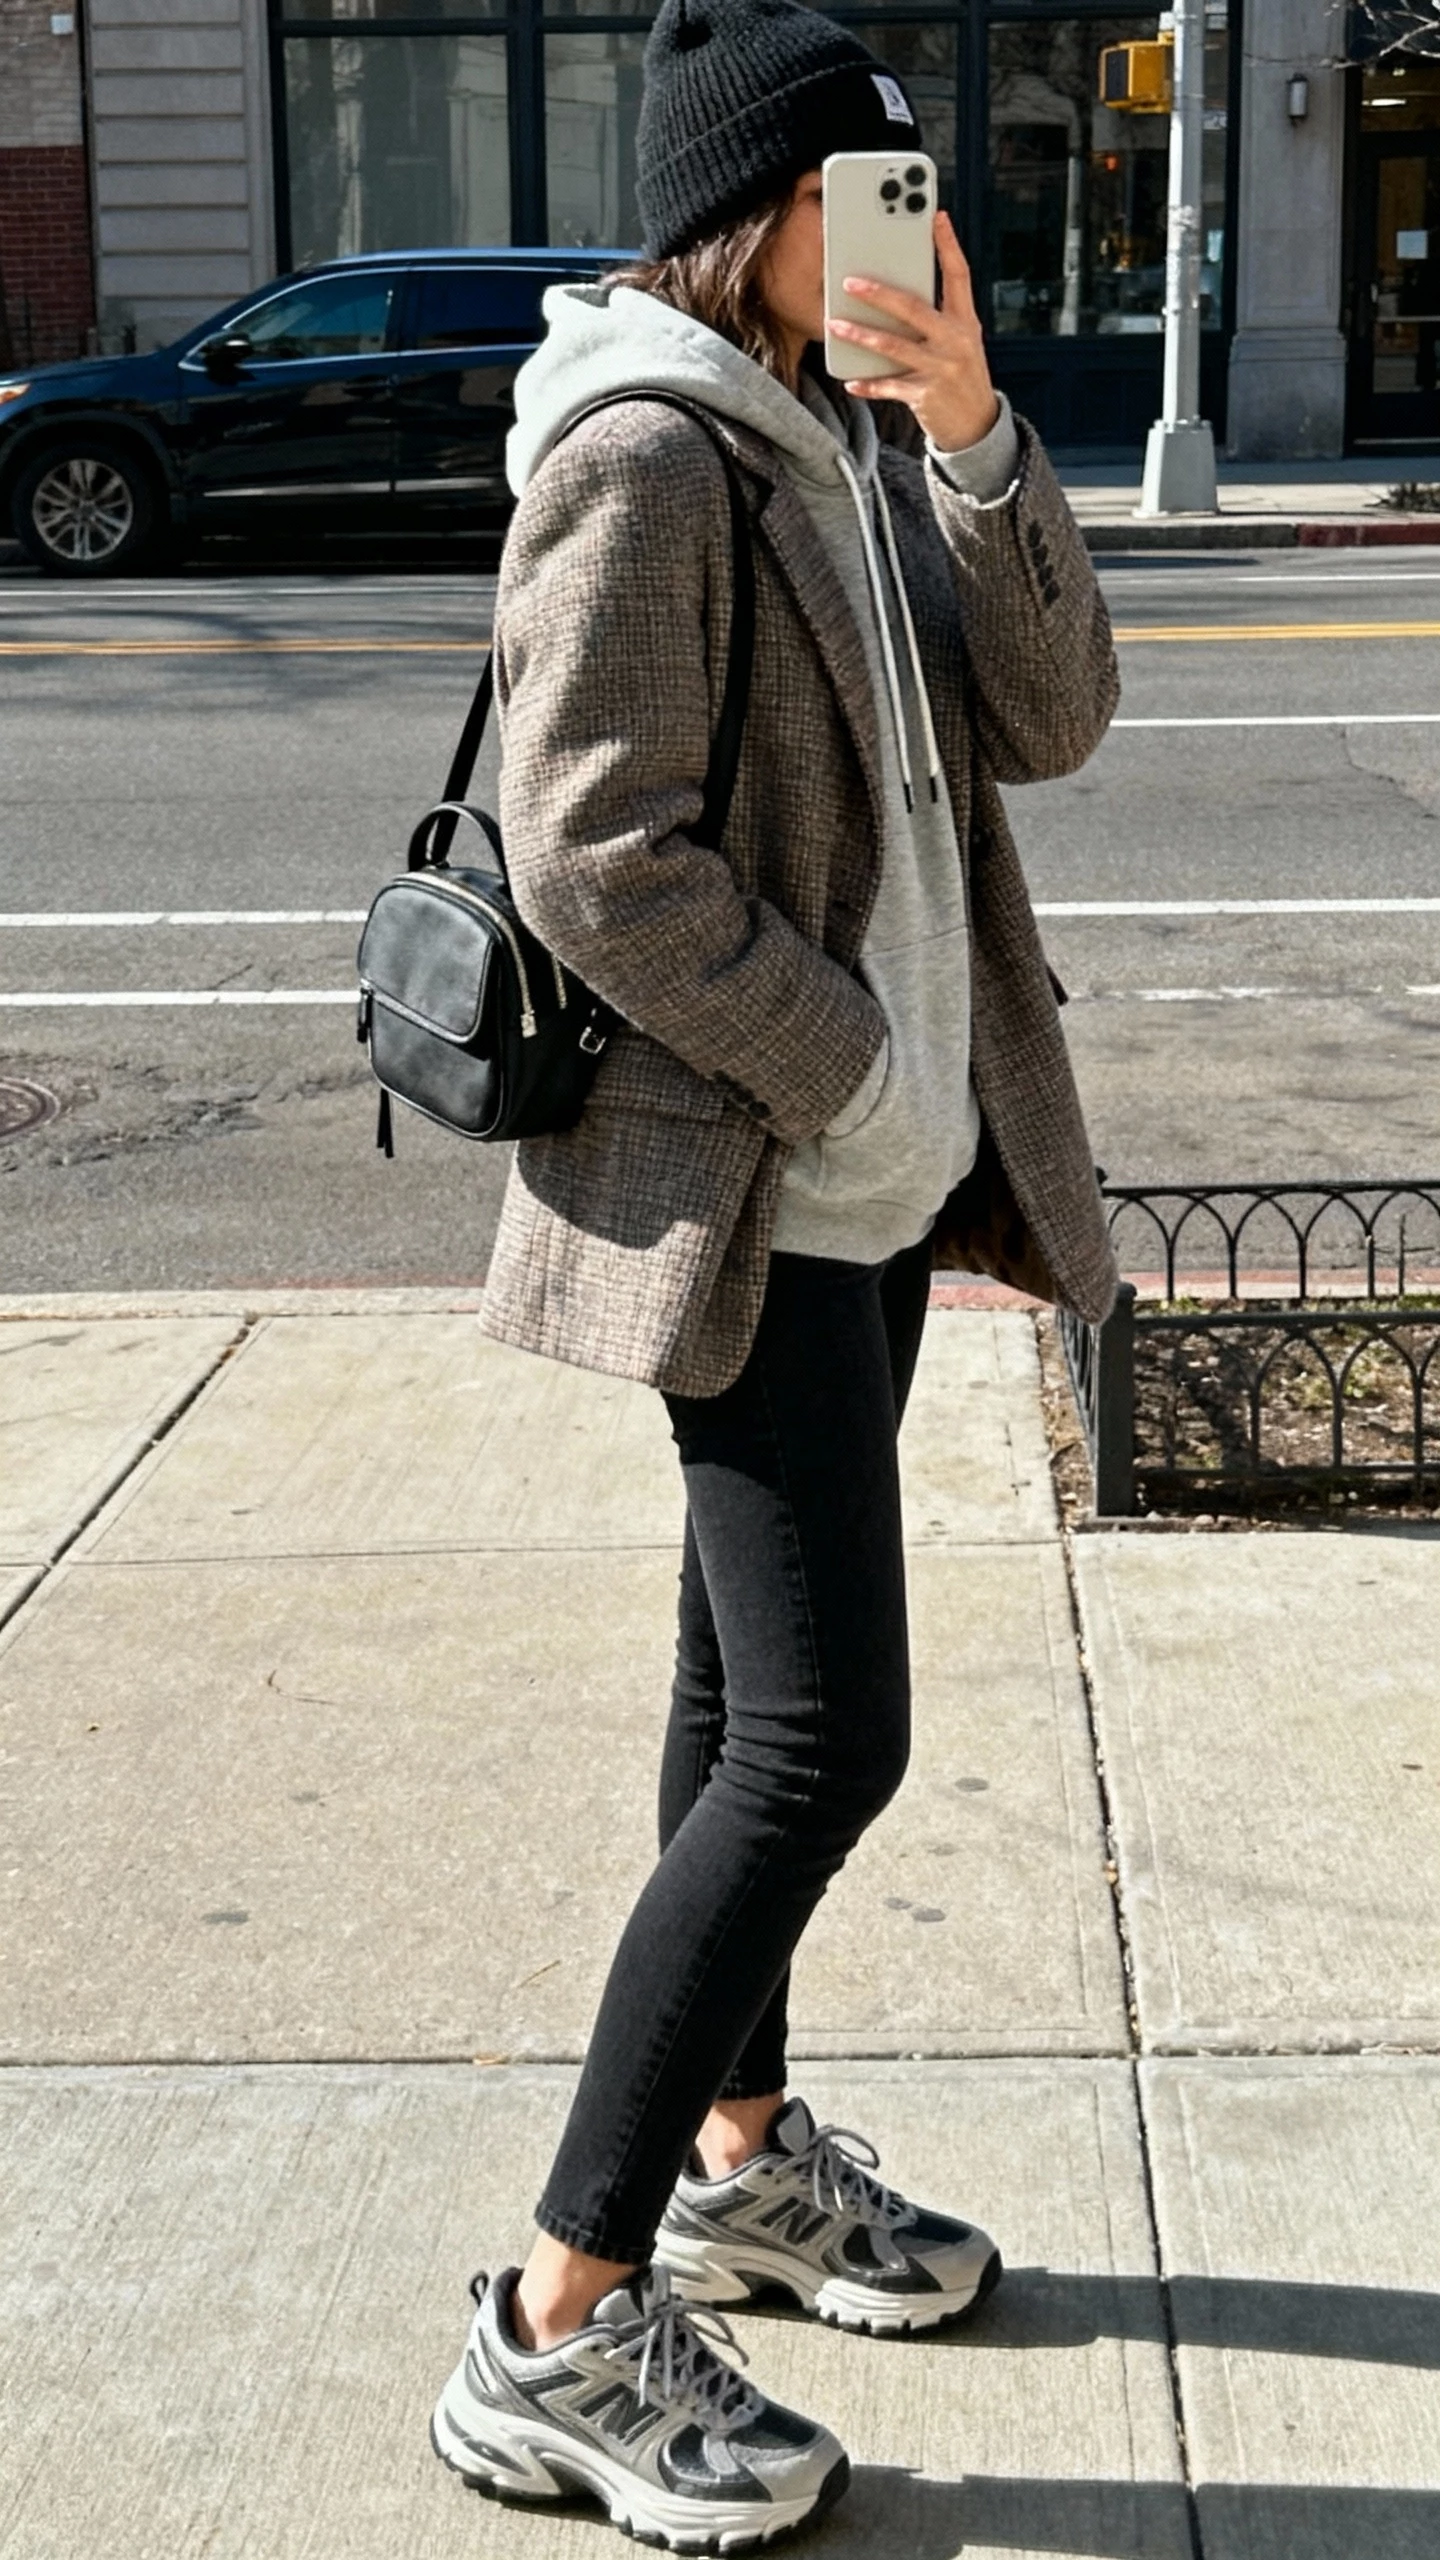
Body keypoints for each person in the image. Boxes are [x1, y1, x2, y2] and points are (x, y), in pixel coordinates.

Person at [431, 0, 1119, 2543]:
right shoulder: (647, 450)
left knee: (741, 1703)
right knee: (826, 1745)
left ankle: (733, 2155)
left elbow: (1054, 717)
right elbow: (596, 849)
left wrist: (971, 431)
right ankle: (559, 2314)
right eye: (873, 195)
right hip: (773, 1180)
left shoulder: (845, 438)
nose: (910, 235)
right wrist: (846, 1068)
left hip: (867, 1193)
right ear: (759, 211)